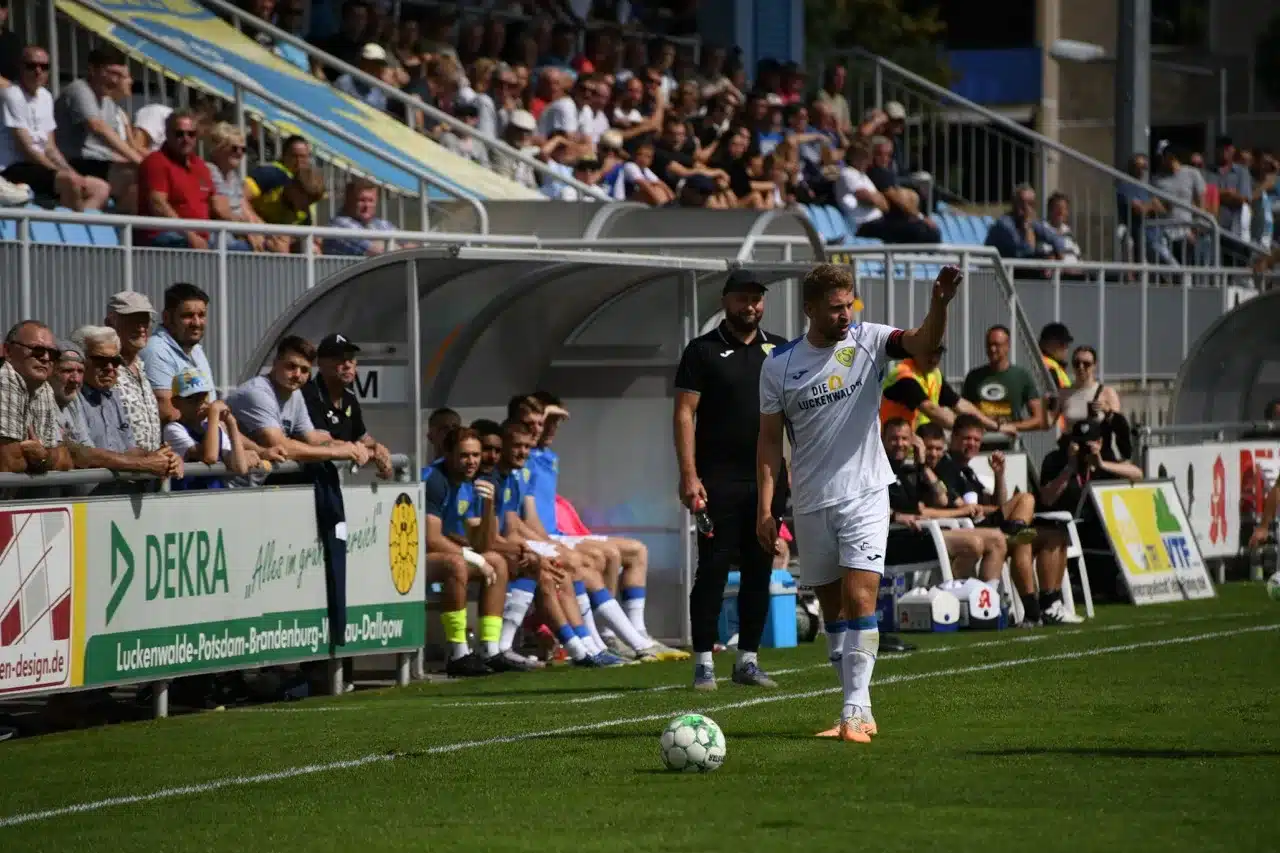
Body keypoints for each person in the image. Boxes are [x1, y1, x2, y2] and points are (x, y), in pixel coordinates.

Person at [757, 262, 963, 743]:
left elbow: (921, 344)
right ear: (809, 309)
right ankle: (854, 708)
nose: (845, 314)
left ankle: (855, 711)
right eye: (835, 308)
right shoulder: (779, 365)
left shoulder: (869, 339)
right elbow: (769, 443)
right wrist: (765, 510)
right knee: (834, 614)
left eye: (849, 304)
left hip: (867, 492)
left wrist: (939, 304)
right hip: (810, 501)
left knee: (860, 599)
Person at [674, 271, 791, 689]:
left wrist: (793, 472)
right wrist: (689, 475)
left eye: (757, 299)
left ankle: (748, 661)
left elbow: (791, 417)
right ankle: (704, 660)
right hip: (717, 480)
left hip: (768, 481)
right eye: (743, 299)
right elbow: (685, 413)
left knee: (761, 568)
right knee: (714, 568)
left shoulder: (779, 350)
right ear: (726, 301)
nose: (751, 307)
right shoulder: (702, 351)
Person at [1038, 420, 1143, 610]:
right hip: (1063, 528)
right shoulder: (1055, 460)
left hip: (1096, 529)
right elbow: (1046, 498)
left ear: (1100, 443)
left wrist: (1102, 464)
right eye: (1079, 443)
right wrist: (1069, 468)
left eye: (1089, 443)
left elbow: (1137, 474)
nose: (1084, 449)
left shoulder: (1103, 458)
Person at [301, 334, 393, 479]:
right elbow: (323, 442)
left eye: (351, 358)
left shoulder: (349, 397)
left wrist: (378, 448)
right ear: (321, 363)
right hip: (301, 483)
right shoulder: (308, 394)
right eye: (339, 358)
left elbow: (363, 438)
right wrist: (361, 450)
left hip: (329, 482)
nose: (347, 364)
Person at [960, 324, 1046, 434]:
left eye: (997, 345)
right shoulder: (974, 377)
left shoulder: (1021, 376)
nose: (992, 349)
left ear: (1008, 346)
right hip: (978, 443)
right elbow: (962, 413)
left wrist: (1010, 426)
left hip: (1010, 446)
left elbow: (1039, 419)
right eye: (989, 345)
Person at [1056, 345, 1132, 463]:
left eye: (1086, 364)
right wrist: (1045, 404)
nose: (1081, 367)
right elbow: (1048, 423)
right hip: (1072, 455)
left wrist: (1106, 410)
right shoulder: (1064, 393)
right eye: (1077, 363)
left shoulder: (1107, 392)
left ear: (1094, 365)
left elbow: (1120, 428)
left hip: (1100, 455)